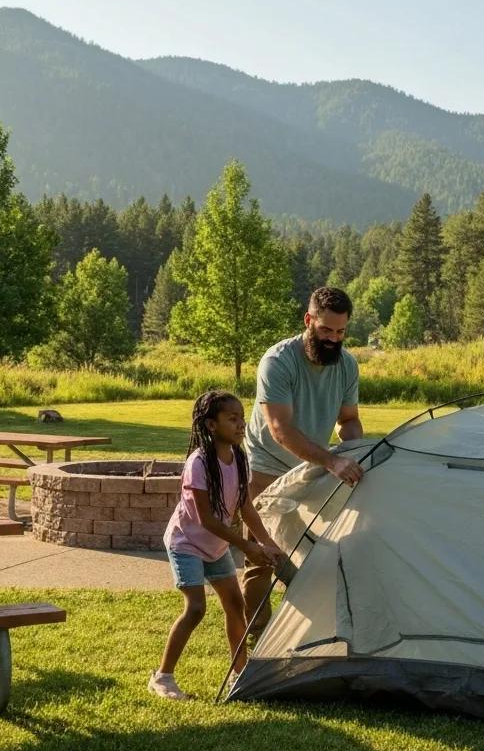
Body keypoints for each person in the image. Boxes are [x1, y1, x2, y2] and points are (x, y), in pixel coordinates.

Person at [242, 286, 365, 645]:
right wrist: (331, 460)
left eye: (341, 332)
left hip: (312, 472)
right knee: (262, 558)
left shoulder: (347, 365)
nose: (333, 339)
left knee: (316, 554)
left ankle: (310, 635)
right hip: (265, 470)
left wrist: (356, 452)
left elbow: (349, 421)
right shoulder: (278, 361)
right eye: (326, 330)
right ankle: (256, 641)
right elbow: (280, 429)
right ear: (308, 321)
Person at [149, 389, 286, 701]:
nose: (241, 425)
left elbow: (245, 508)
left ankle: (241, 673)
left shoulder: (239, 458)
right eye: (232, 419)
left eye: (242, 418)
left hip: (216, 545)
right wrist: (247, 547)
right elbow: (207, 520)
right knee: (196, 607)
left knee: (235, 606)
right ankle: (162, 677)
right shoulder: (198, 464)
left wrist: (267, 542)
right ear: (211, 425)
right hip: (187, 543)